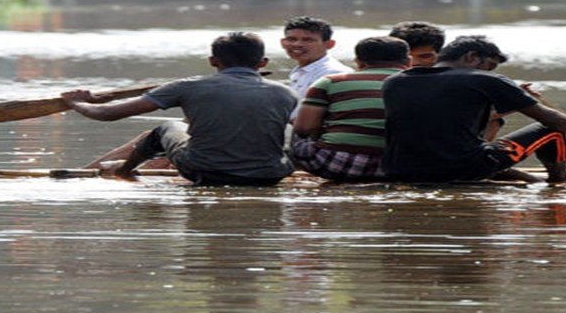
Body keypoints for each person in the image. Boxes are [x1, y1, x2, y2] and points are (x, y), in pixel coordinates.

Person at [61, 32, 297, 186]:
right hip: (269, 174)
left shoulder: (188, 86)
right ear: (263, 63)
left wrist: (75, 102)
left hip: (204, 171)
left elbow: (107, 114)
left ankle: (124, 171)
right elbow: (307, 132)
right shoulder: (286, 92)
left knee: (168, 127)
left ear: (213, 61)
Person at [381, 35, 566, 184]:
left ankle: (526, 177)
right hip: (462, 168)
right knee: (549, 130)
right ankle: (560, 178)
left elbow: (448, 113)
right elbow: (548, 117)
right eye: (489, 66)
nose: (490, 72)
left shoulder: (396, 81)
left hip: (401, 170)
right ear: (472, 57)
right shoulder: (485, 80)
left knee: (490, 132)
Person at [291, 36, 410, 181]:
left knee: (299, 131)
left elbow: (303, 129)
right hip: (400, 165)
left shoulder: (330, 81)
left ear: (359, 62)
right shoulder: (418, 83)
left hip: (336, 163)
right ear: (408, 62)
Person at [281, 16, 353, 99]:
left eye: (308, 40)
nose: (297, 44)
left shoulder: (334, 74)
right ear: (283, 43)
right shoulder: (299, 71)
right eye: (291, 39)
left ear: (329, 44)